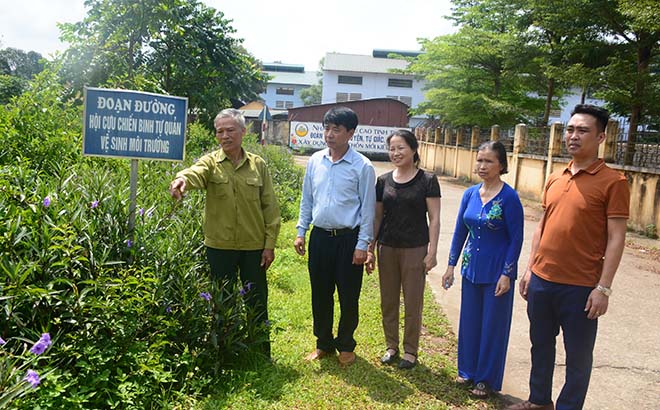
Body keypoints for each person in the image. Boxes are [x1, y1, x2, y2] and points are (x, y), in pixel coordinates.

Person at [507, 105, 630, 410]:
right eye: (570, 130)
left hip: (581, 287)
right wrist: (529, 270)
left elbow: (616, 238)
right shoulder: (555, 177)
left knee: (577, 357)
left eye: (582, 130)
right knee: (541, 346)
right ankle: (538, 401)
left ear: (601, 137)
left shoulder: (613, 182)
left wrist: (603, 288)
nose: (573, 136)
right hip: (543, 281)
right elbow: (542, 227)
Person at [169, 108, 281, 357]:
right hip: (219, 246)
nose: (225, 136)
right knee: (222, 300)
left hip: (253, 246)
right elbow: (195, 172)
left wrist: (269, 244)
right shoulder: (211, 163)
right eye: (220, 131)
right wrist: (181, 181)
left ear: (243, 132)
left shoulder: (258, 165)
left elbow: (270, 208)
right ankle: (226, 352)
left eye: (230, 130)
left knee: (256, 300)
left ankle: (260, 353)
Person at [294, 106, 376, 367]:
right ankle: (323, 343)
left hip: (348, 240)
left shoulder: (362, 166)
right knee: (320, 293)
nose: (329, 134)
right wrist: (300, 232)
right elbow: (307, 200)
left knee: (349, 295)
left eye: (336, 129)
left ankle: (346, 345)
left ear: (350, 133)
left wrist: (363, 245)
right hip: (319, 238)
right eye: (326, 128)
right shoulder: (315, 161)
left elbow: (368, 210)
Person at [441, 140, 524, 398]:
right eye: (479, 160)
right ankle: (466, 371)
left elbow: (516, 238)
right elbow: (459, 232)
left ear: (501, 165)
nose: (482, 165)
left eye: (488, 161)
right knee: (469, 322)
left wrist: (507, 274)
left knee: (492, 326)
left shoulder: (509, 198)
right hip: (471, 269)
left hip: (496, 273)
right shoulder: (470, 194)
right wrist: (450, 265)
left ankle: (485, 379)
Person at [366, 129, 441, 370]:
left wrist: (432, 252)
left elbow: (435, 218)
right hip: (387, 247)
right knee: (388, 300)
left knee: (412, 301)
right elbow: (377, 218)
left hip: (415, 249)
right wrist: (371, 248)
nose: (395, 153)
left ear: (413, 149)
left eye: (401, 148)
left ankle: (410, 351)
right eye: (392, 148)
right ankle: (391, 346)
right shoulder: (383, 181)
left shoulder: (427, 180)